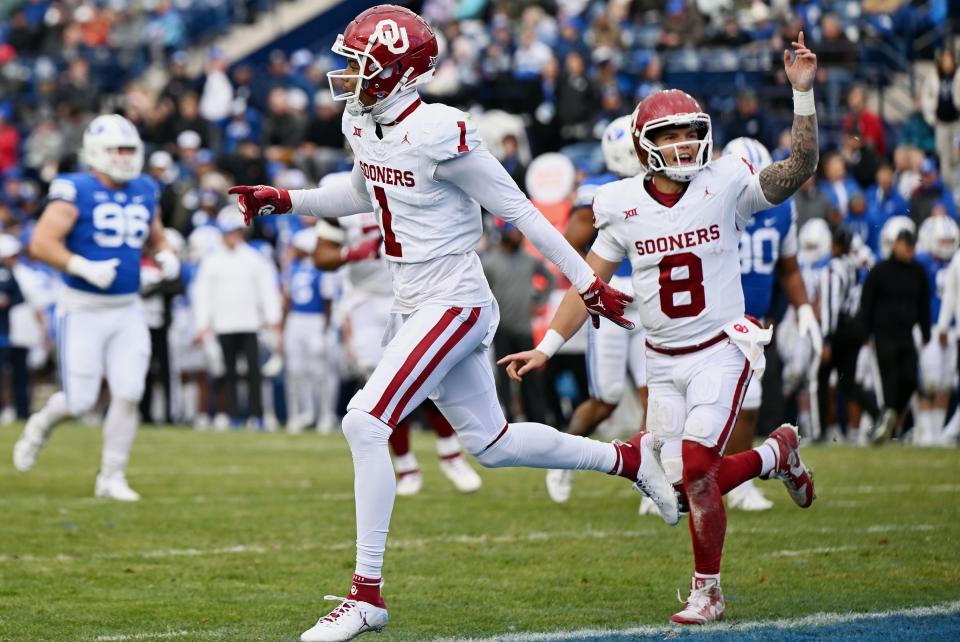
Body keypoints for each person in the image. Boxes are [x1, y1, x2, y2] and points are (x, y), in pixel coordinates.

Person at [228, 8, 680, 632]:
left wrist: (587, 282)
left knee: (364, 421)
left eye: (361, 64)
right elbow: (365, 193)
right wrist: (287, 200)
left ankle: (366, 595)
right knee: (492, 447)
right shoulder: (363, 120)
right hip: (412, 297)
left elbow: (518, 212)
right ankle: (628, 461)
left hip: (454, 296)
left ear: (399, 73)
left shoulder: (440, 131)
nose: (348, 76)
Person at [502, 32, 821, 624]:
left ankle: (709, 590)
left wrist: (801, 95)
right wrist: (547, 347)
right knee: (676, 492)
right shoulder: (619, 202)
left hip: (721, 349)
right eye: (669, 134)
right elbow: (587, 284)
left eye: (690, 131)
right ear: (643, 145)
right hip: (661, 358)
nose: (683, 143)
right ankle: (776, 455)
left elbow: (799, 168)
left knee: (699, 467)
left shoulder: (725, 181)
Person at [12, 114, 180, 501]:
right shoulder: (75, 188)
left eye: (129, 149)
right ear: (94, 152)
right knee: (80, 402)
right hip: (83, 308)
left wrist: (166, 254)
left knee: (130, 390)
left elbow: (155, 237)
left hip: (127, 309)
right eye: (116, 150)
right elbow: (40, 242)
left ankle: (111, 476)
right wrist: (80, 265)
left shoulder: (144, 188)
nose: (123, 157)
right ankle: (40, 426)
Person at [313, 180, 483, 496]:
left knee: (430, 375)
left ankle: (451, 455)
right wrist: (351, 252)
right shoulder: (339, 189)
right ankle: (406, 467)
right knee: (381, 385)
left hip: (414, 293)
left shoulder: (407, 173)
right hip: (364, 300)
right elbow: (321, 256)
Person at [542, 115, 648, 505]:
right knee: (606, 399)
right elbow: (570, 242)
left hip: (650, 301)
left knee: (656, 398)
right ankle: (563, 461)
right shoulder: (598, 190)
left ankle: (650, 481)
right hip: (612, 300)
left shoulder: (658, 184)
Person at [718, 137, 821, 512]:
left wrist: (805, 309)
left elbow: (789, 267)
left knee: (750, 402)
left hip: (752, 321)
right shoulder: (712, 205)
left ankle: (736, 485)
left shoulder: (781, 210)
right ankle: (699, 482)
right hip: (715, 315)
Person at [192, 207, 282, 430]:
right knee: (228, 373)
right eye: (228, 232)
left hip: (250, 323)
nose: (232, 236)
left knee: (253, 373)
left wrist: (272, 319)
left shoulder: (254, 258)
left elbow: (267, 290)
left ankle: (257, 416)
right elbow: (202, 294)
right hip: (223, 324)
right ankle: (233, 416)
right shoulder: (212, 261)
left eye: (235, 232)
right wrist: (203, 324)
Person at [859, 227, 931, 443]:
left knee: (909, 379)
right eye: (905, 244)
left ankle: (888, 423)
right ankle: (885, 425)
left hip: (906, 335)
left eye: (911, 245)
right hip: (883, 335)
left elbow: (923, 304)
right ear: (896, 244)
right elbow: (867, 303)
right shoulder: (880, 270)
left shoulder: (918, 272)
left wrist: (926, 331)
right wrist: (865, 332)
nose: (908, 249)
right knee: (888, 383)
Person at [482, 218, 554, 425]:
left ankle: (537, 421)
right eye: (513, 233)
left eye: (519, 234)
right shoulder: (490, 262)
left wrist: (539, 300)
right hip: (501, 328)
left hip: (524, 328)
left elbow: (549, 278)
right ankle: (506, 421)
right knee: (502, 380)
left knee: (530, 377)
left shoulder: (529, 260)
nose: (518, 237)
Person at [914, 216, 959, 445]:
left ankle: (937, 433)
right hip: (930, 328)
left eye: (949, 241)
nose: (946, 245)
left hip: (952, 329)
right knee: (928, 382)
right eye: (941, 241)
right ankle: (925, 432)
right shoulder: (922, 262)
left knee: (945, 383)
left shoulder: (955, 262)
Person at [920, 48, 960, 188]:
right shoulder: (934, 76)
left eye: (949, 60)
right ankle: (947, 186)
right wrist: (930, 115)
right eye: (944, 61)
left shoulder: (958, 75)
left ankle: (957, 185)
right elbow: (926, 96)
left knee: (957, 154)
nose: (947, 64)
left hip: (956, 123)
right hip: (941, 123)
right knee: (943, 154)